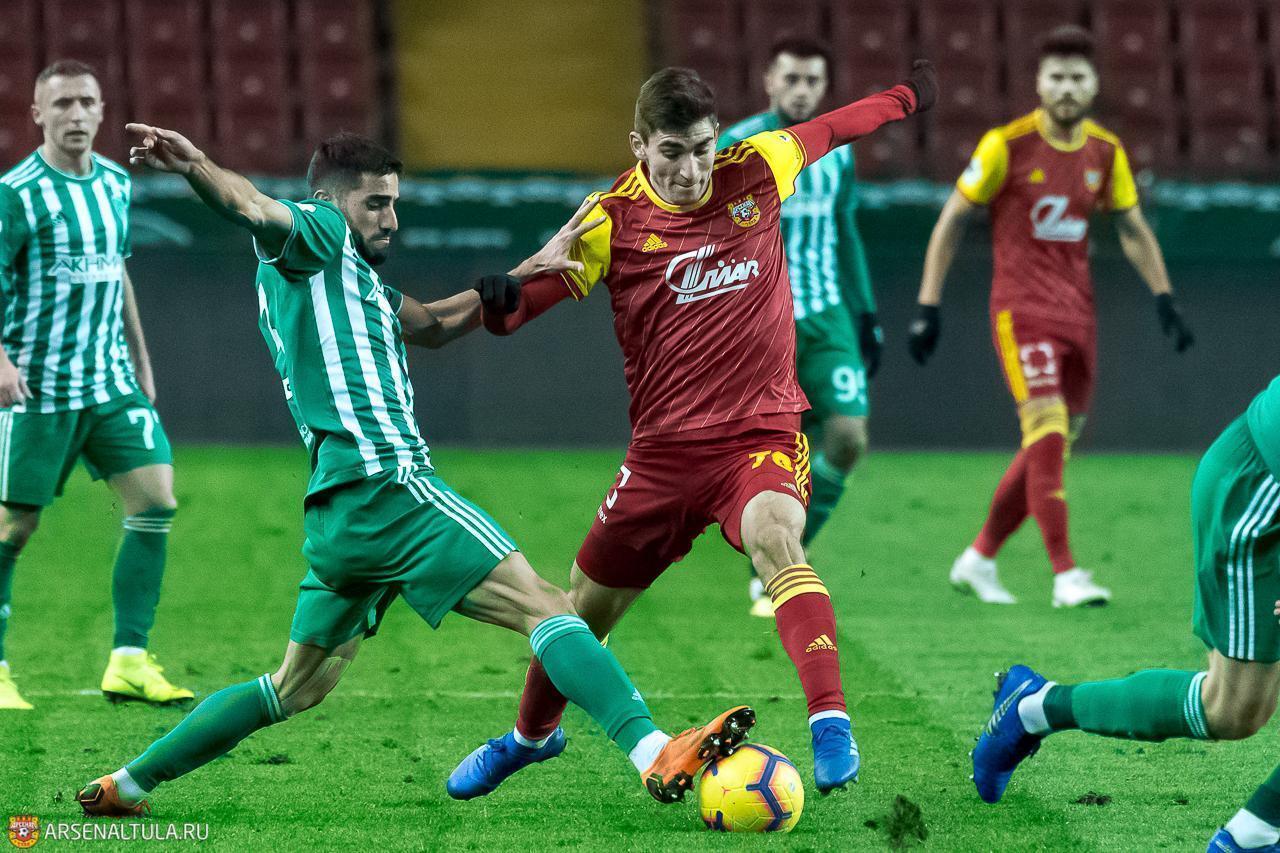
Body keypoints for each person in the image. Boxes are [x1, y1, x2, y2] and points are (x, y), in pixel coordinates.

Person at [76, 127, 754, 817]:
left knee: (294, 686)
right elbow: (251, 205)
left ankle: (126, 783)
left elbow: (430, 323)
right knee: (547, 605)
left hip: (341, 515)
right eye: (376, 203)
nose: (391, 219)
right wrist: (194, 165)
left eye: (394, 203)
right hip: (388, 484)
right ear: (330, 201)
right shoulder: (317, 233)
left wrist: (526, 270)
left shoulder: (348, 276)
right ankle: (653, 749)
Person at [447, 61, 936, 797]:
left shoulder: (757, 167)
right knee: (579, 614)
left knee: (778, 538)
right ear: (640, 146)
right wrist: (499, 297)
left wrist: (906, 97)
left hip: (758, 436)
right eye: (672, 153)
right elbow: (519, 310)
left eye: (702, 148)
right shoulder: (610, 218)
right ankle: (528, 739)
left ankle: (830, 720)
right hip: (662, 456)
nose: (691, 169)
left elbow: (837, 127)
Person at [908, 26, 1194, 607]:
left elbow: (1132, 228)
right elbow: (953, 218)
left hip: (1079, 316)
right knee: (1047, 429)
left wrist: (1165, 297)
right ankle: (1065, 574)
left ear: (1093, 84)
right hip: (1021, 311)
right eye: (1056, 76)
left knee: (1053, 444)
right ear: (1039, 83)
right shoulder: (1006, 146)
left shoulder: (1105, 152)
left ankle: (978, 559)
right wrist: (927, 304)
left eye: (1077, 77)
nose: (1066, 87)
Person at [972, 372, 1280, 852]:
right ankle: (1253, 836)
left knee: (1233, 711)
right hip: (1256, 499)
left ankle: (1035, 706)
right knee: (1230, 707)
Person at [0, 59, 191, 710]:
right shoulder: (17, 194)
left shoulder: (113, 182)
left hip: (109, 382)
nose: (76, 114)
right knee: (14, 528)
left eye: (86, 102)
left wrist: (141, 357)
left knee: (155, 501)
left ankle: (129, 660)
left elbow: (116, 271)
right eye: (62, 104)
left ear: (103, 111)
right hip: (38, 389)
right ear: (37, 114)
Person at [718, 37, 881, 619]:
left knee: (847, 438)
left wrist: (867, 313)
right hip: (761, 322)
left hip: (827, 316)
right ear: (769, 81)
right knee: (775, 451)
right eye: (791, 79)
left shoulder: (838, 150)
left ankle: (786, 556)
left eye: (813, 81)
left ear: (825, 87)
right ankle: (774, 567)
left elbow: (846, 231)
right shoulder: (737, 147)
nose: (802, 90)